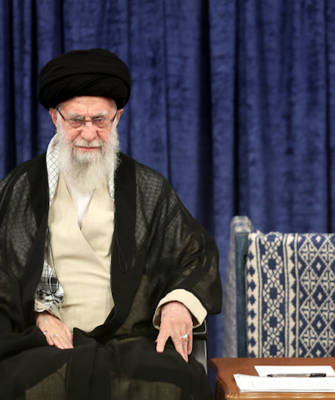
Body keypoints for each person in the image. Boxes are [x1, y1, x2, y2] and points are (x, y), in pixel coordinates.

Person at [0, 49, 222, 399]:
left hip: (129, 337)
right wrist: (40, 312)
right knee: (25, 380)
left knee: (175, 380)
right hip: (46, 339)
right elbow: (4, 268)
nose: (89, 133)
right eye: (77, 120)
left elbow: (194, 255)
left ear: (117, 118)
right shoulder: (21, 188)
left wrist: (178, 303)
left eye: (100, 120)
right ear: (54, 117)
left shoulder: (146, 188)